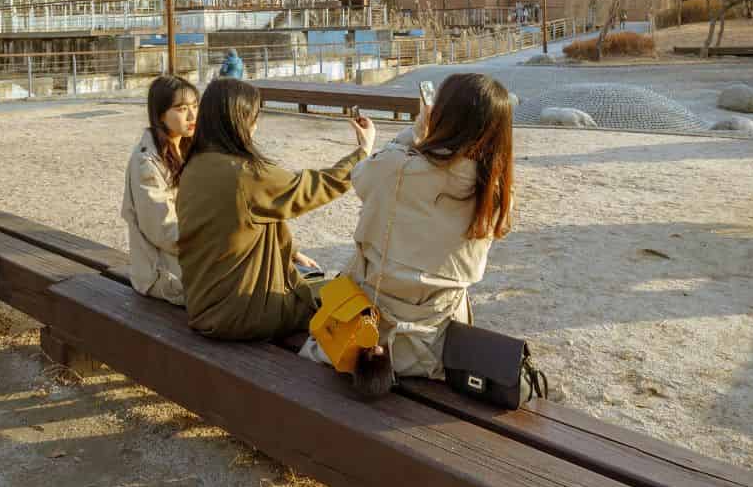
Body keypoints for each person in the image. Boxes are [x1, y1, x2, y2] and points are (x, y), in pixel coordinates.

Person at [309, 73, 515, 380]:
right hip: (435, 348)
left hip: (364, 334)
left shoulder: (397, 167)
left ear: (440, 114)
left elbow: (362, 177)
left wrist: (414, 133)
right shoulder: (495, 194)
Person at [174, 77, 374, 340]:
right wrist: (363, 151)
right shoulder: (245, 174)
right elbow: (315, 186)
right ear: (242, 121)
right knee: (354, 299)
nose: (256, 125)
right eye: (255, 117)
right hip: (242, 312)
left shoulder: (194, 166)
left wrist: (292, 253)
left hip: (203, 305)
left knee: (312, 277)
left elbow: (248, 220)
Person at [121, 75, 199, 305]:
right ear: (161, 114)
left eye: (195, 106)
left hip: (185, 258)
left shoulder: (189, 148)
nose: (192, 115)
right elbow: (164, 230)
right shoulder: (146, 161)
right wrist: (213, 245)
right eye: (182, 109)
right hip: (161, 272)